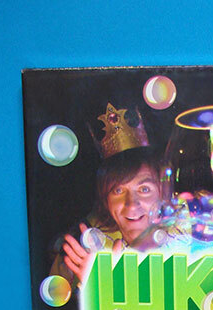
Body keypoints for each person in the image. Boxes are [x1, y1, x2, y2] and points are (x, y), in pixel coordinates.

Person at [49, 104, 163, 286]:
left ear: (162, 191)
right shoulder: (78, 252)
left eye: (144, 189)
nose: (132, 204)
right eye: (118, 191)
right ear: (105, 200)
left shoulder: (191, 235)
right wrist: (94, 289)